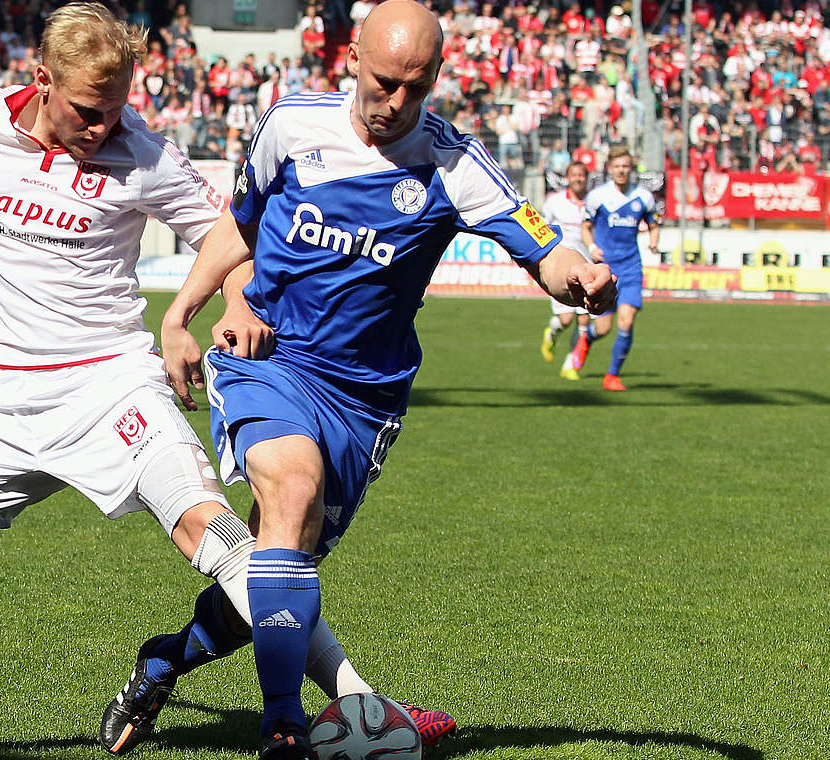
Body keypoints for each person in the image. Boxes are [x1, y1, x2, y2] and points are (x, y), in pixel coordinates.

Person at [0, 4, 386, 753]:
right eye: (85, 111)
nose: (102, 127)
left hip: (111, 390)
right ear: (41, 79)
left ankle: (361, 701)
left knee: (222, 534)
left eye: (114, 109)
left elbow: (234, 242)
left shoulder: (147, 155)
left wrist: (233, 305)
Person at [130, 3, 615, 757]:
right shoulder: (291, 125)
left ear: (435, 81)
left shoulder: (453, 164)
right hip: (270, 359)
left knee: (276, 563)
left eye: (414, 89)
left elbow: (541, 247)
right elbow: (242, 223)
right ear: (352, 58)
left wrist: (579, 277)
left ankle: (166, 660)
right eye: (384, 82)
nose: (395, 104)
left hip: (365, 400)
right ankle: (285, 727)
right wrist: (180, 314)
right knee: (289, 495)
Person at [562, 146, 658, 391]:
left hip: (631, 268)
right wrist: (592, 246)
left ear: (631, 168)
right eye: (617, 166)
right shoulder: (598, 196)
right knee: (603, 327)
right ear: (610, 169)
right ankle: (586, 341)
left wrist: (654, 240)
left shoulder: (644, 197)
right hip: (605, 269)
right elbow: (585, 227)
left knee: (626, 320)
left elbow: (653, 223)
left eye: (626, 166)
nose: (622, 170)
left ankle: (612, 376)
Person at [540, 161, 596, 366]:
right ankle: (552, 334)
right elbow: (542, 228)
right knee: (565, 320)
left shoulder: (593, 201)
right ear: (568, 178)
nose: (578, 178)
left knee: (584, 320)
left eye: (582, 175)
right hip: (562, 268)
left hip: (588, 268)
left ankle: (570, 365)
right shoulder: (555, 202)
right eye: (574, 175)